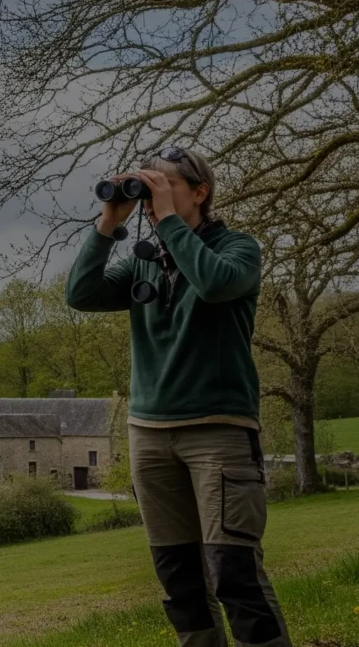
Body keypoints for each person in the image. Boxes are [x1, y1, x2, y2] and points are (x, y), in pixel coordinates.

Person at [67, 147, 288, 647]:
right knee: (180, 581)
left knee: (234, 574)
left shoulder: (239, 249)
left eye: (163, 187)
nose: (150, 199)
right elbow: (80, 294)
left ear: (200, 192)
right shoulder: (143, 265)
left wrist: (167, 219)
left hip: (219, 432)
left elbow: (212, 284)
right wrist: (108, 223)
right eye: (148, 190)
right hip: (149, 435)